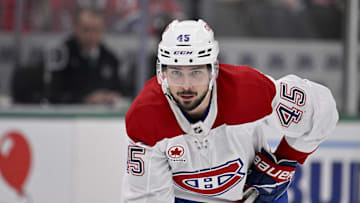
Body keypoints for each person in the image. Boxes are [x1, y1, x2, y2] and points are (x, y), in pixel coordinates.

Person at [123, 19, 338, 203]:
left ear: (212, 71)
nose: (186, 86)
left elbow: (322, 109)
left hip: (255, 195)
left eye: (196, 72)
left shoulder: (249, 90)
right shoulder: (146, 116)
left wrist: (281, 166)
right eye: (176, 72)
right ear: (162, 73)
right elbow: (146, 197)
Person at [46, 7, 130, 104]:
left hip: (103, 117)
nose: (91, 35)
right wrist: (85, 99)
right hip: (69, 116)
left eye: (96, 30)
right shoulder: (62, 54)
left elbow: (123, 91)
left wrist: (113, 96)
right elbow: (53, 94)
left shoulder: (110, 58)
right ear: (76, 28)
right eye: (86, 30)